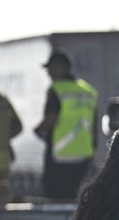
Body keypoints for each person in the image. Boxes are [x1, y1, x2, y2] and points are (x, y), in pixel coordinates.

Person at [34, 49, 98, 200]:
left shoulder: (56, 89)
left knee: (56, 200)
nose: (48, 73)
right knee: (77, 199)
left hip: (60, 158)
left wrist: (38, 130)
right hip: (83, 157)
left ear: (61, 67)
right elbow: (94, 126)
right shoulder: (88, 91)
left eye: (50, 68)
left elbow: (51, 118)